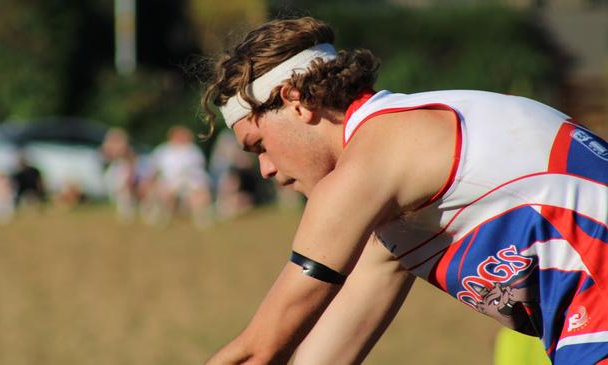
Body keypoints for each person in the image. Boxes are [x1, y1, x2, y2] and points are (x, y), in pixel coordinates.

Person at [200, 17, 608, 365]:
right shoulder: (399, 182)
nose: (266, 169)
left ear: (295, 101)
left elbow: (259, 353)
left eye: (260, 145)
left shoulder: (373, 159)